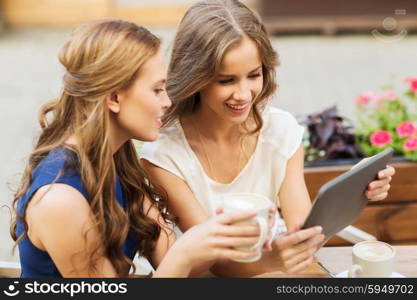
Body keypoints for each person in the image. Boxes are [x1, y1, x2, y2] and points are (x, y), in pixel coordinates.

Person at [140, 0, 396, 277]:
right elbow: (219, 263)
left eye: (254, 75)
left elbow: (304, 232)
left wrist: (355, 188)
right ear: (195, 78)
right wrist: (279, 261)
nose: (244, 94)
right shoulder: (164, 155)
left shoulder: (280, 130)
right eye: (226, 80)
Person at [10, 19, 266, 278]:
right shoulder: (60, 201)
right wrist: (186, 252)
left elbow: (176, 262)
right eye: (157, 90)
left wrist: (220, 235)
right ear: (114, 98)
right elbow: (177, 261)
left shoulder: (118, 160)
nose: (167, 101)